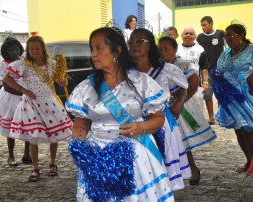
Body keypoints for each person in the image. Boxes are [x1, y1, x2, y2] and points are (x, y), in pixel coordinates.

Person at [66, 27, 174, 201]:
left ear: (117, 50)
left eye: (98, 48)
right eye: (92, 49)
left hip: (136, 156)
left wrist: (141, 127)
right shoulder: (86, 88)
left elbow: (159, 119)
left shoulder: (141, 82)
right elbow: (80, 124)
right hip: (97, 157)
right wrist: (80, 144)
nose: (94, 54)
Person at [3, 35, 73, 182]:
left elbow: (62, 81)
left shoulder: (52, 64)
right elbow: (6, 78)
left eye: (37, 48)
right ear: (28, 50)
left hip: (49, 101)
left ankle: (52, 163)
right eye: (31, 48)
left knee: (54, 135)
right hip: (31, 104)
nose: (34, 51)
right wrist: (22, 89)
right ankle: (35, 167)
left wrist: (63, 81)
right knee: (33, 136)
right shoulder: (23, 64)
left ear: (43, 49)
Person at [129, 28, 191, 190]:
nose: (134, 45)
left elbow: (183, 87)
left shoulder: (164, 69)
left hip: (162, 125)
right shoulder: (126, 72)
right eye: (131, 41)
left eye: (139, 41)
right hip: (136, 126)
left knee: (163, 170)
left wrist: (178, 103)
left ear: (150, 46)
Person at [158, 36, 217, 185]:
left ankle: (192, 169)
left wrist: (181, 101)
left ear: (175, 49)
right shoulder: (157, 66)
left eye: (167, 49)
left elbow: (194, 80)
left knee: (182, 142)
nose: (163, 52)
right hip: (163, 108)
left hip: (180, 108)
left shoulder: (182, 64)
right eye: (160, 49)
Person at [211, 22, 253, 173]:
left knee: (247, 130)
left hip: (247, 95)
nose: (228, 39)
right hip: (229, 98)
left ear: (241, 35)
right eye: (226, 36)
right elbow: (219, 70)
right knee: (239, 130)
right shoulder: (225, 53)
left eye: (231, 35)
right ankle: (249, 161)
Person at [0, 37, 31, 166]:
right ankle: (11, 155)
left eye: (16, 49)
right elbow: (7, 86)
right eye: (11, 50)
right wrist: (23, 92)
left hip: (24, 94)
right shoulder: (4, 65)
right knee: (10, 126)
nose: (14, 52)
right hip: (10, 97)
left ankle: (27, 154)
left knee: (27, 125)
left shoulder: (24, 61)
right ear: (6, 52)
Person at [197, 16, 226, 125]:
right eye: (202, 25)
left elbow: (227, 49)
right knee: (208, 95)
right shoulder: (200, 37)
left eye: (205, 25)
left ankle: (222, 116)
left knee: (221, 94)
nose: (203, 27)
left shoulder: (220, 34)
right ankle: (211, 117)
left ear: (211, 23)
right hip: (206, 71)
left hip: (219, 70)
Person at [177, 26, 209, 112]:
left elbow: (204, 67)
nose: (188, 35)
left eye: (191, 34)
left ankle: (198, 125)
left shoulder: (200, 49)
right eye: (186, 33)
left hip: (195, 85)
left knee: (197, 111)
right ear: (181, 35)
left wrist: (205, 82)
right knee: (180, 110)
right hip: (178, 86)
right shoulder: (176, 49)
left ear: (195, 36)